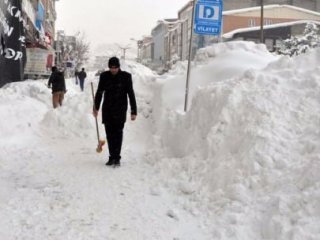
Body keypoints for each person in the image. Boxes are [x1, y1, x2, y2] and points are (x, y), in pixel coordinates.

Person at [93, 57, 137, 167]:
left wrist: (133, 111)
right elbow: (99, 93)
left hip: (120, 109)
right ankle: (111, 156)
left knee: (118, 133)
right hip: (107, 109)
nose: (113, 70)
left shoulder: (126, 77)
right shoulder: (104, 76)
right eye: (111, 67)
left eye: (115, 67)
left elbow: (131, 94)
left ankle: (117, 157)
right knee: (109, 134)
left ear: (118, 67)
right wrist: (96, 108)